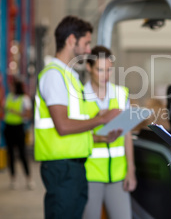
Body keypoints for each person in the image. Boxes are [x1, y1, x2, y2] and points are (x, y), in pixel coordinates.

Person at [34, 15, 122, 219]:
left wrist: (100, 134)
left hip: (73, 166)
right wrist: (102, 119)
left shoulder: (69, 76)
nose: (89, 49)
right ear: (71, 40)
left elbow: (76, 123)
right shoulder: (54, 75)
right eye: (86, 43)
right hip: (62, 167)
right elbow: (63, 126)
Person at [83, 46, 137, 219]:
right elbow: (75, 136)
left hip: (118, 175)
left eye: (108, 70)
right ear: (89, 68)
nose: (105, 75)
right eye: (100, 70)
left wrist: (131, 170)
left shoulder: (121, 94)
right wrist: (99, 137)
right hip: (89, 174)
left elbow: (127, 134)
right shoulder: (80, 97)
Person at [2, 77, 34, 190]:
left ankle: (29, 179)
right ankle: (13, 179)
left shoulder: (24, 99)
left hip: (19, 129)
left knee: (22, 154)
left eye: (12, 86)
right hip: (8, 128)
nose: (10, 87)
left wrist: (16, 112)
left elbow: (28, 115)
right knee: (10, 154)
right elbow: (3, 110)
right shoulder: (8, 97)